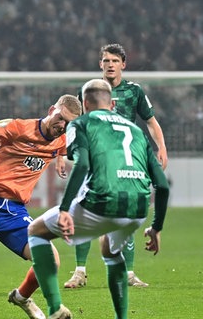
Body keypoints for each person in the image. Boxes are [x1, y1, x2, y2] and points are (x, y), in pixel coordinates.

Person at [28, 79, 169, 318]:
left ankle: (54, 309)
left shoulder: (81, 123)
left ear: (84, 104)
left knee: (36, 231)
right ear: (112, 103)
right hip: (137, 210)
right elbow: (163, 186)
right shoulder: (136, 130)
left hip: (101, 203)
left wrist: (64, 209)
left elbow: (82, 164)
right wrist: (156, 228)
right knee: (110, 251)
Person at [0, 95, 82, 319]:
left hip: (15, 212)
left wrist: (60, 156)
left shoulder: (62, 139)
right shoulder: (20, 127)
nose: (62, 126)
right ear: (51, 110)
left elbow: (67, 146)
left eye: (69, 123)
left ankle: (21, 297)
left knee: (52, 261)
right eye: (60, 118)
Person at [64, 43, 168, 289]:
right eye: (106, 61)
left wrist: (161, 146)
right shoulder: (90, 90)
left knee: (125, 210)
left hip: (124, 160)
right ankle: (79, 272)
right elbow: (77, 123)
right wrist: (62, 152)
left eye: (115, 61)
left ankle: (129, 273)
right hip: (96, 159)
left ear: (124, 64)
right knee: (84, 209)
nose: (110, 65)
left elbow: (151, 122)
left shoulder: (134, 91)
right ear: (100, 64)